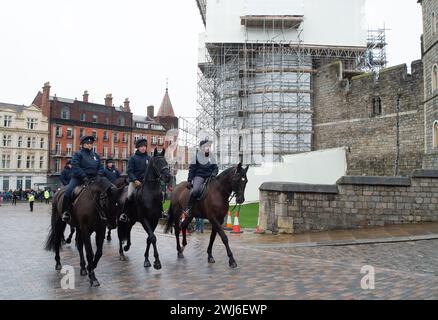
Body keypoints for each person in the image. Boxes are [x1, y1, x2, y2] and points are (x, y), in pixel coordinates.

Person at [61, 135, 104, 222]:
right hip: (79, 179)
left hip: (94, 179)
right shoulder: (78, 154)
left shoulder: (96, 155)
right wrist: (84, 176)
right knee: (68, 192)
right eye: (87, 143)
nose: (89, 145)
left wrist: (98, 175)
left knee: (108, 189)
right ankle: (65, 212)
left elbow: (101, 167)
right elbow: (76, 167)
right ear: (83, 144)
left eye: (91, 143)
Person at [184, 138, 218, 219]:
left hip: (210, 177)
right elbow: (192, 169)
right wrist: (189, 180)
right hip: (199, 176)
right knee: (195, 190)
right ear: (202, 147)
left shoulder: (211, 156)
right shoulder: (196, 156)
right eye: (207, 146)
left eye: (209, 146)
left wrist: (214, 173)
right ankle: (188, 207)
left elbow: (215, 167)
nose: (209, 148)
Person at [121, 138, 149, 222]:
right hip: (135, 182)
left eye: (144, 146)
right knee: (129, 195)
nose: (143, 148)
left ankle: (160, 212)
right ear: (138, 147)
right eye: (141, 146)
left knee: (157, 194)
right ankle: (124, 214)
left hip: (146, 182)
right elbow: (129, 171)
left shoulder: (149, 158)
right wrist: (135, 180)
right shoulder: (133, 158)